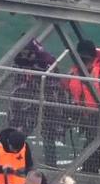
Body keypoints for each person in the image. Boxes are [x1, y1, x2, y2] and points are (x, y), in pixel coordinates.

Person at [9, 40, 66, 168]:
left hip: (46, 105)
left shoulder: (45, 61)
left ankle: (51, 166)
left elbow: (54, 88)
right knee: (19, 133)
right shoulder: (22, 61)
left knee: (48, 136)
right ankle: (15, 161)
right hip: (26, 103)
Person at [63, 39, 100, 173]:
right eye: (82, 59)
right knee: (92, 143)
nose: (84, 62)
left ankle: (90, 169)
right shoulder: (73, 73)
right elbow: (67, 90)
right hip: (83, 114)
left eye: (87, 59)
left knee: (95, 143)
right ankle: (90, 168)